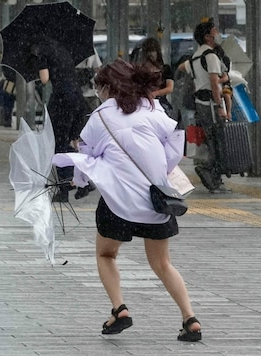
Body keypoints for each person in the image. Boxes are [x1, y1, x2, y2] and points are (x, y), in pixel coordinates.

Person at [52, 59, 201, 342]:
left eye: (99, 86)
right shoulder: (152, 108)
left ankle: (120, 309)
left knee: (106, 254)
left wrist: (78, 180)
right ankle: (190, 318)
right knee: (163, 264)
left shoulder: (99, 117)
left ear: (107, 87)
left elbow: (89, 157)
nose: (97, 92)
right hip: (158, 201)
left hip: (118, 202)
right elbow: (172, 147)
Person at [177, 19, 231, 193]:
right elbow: (214, 84)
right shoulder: (211, 56)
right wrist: (220, 106)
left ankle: (213, 177)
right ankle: (209, 172)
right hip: (210, 104)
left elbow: (185, 71)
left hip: (200, 104)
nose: (218, 34)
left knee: (210, 139)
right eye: (215, 31)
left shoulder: (194, 58)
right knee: (218, 141)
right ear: (208, 37)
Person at [32, 39, 89, 202]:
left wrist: (38, 65)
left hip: (63, 101)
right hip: (78, 99)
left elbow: (44, 79)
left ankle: (67, 186)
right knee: (70, 143)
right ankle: (81, 181)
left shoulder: (42, 51)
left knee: (58, 145)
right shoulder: (62, 49)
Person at [130, 37, 175, 119]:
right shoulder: (140, 70)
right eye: (148, 51)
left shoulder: (165, 69)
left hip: (160, 103)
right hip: (143, 104)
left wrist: (155, 94)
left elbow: (170, 88)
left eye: (153, 51)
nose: (150, 54)